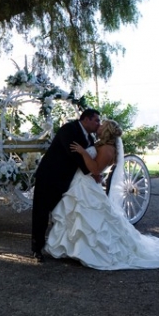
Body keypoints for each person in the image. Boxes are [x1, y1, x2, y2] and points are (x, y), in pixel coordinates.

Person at [44, 120, 159, 269]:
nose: (99, 126)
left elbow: (95, 169)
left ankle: (85, 252)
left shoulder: (107, 149)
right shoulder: (101, 145)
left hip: (85, 186)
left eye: (102, 125)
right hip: (81, 183)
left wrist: (82, 152)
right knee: (79, 217)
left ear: (107, 130)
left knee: (87, 219)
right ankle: (74, 249)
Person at [31, 108, 102, 262]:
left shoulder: (89, 139)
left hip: (68, 181)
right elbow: (75, 156)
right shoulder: (69, 130)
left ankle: (61, 247)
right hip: (49, 177)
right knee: (41, 213)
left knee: (62, 214)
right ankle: (37, 249)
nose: (98, 124)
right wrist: (92, 172)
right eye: (96, 120)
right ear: (87, 119)